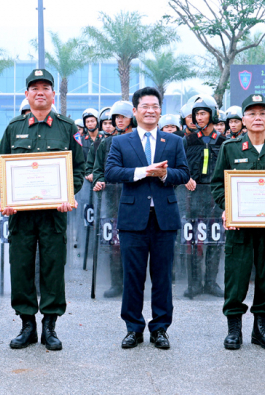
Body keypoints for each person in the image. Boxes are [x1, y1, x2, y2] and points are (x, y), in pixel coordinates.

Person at [0, 68, 84, 351]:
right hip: (20, 216)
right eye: (35, 88)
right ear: (27, 94)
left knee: (52, 268)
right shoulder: (14, 128)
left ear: (53, 94)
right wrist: (5, 197)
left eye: (46, 87)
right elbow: (2, 167)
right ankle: (27, 326)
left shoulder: (67, 128)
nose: (40, 92)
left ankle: (50, 326)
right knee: (20, 267)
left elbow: (79, 168)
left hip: (53, 214)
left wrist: (69, 193)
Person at [105, 87, 190, 350]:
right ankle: (133, 328)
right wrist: (144, 171)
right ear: (134, 111)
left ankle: (160, 328)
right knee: (133, 276)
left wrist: (164, 175)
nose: (150, 110)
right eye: (145, 106)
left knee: (163, 276)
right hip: (133, 219)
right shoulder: (120, 142)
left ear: (160, 110)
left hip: (164, 218)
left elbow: (184, 174)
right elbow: (111, 172)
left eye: (155, 106)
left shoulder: (174, 141)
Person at [211, 94, 265, 351]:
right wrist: (228, 209)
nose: (257, 119)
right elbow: (217, 185)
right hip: (240, 228)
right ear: (242, 119)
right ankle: (234, 328)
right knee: (236, 277)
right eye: (252, 114)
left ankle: (262, 328)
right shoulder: (230, 148)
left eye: (262, 114)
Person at [183, 94, 226, 298]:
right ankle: (194, 284)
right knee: (193, 240)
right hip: (194, 197)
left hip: (216, 198)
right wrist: (185, 178)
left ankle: (211, 282)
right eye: (196, 114)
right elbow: (179, 165)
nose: (199, 118)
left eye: (203, 113)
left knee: (216, 240)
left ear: (213, 115)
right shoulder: (188, 140)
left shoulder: (224, 142)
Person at [92, 100, 136, 298]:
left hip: (135, 198)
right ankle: (116, 284)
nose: (119, 121)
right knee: (114, 244)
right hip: (112, 199)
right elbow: (97, 169)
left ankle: (133, 285)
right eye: (116, 117)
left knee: (135, 244)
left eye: (123, 117)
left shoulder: (140, 140)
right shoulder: (106, 142)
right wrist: (99, 181)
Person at [81, 108, 101, 179]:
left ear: (97, 122)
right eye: (87, 122)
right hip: (86, 177)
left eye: (92, 121)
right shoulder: (81, 141)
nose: (90, 124)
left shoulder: (104, 139)